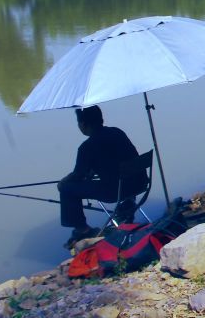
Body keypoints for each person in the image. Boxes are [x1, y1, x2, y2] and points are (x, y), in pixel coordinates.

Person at [57, 105, 143, 247]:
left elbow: (78, 175)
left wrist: (62, 182)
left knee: (67, 188)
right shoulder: (117, 132)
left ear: (83, 124)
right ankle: (128, 206)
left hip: (115, 191)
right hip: (139, 183)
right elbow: (116, 159)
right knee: (120, 177)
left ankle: (83, 230)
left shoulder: (87, 147)